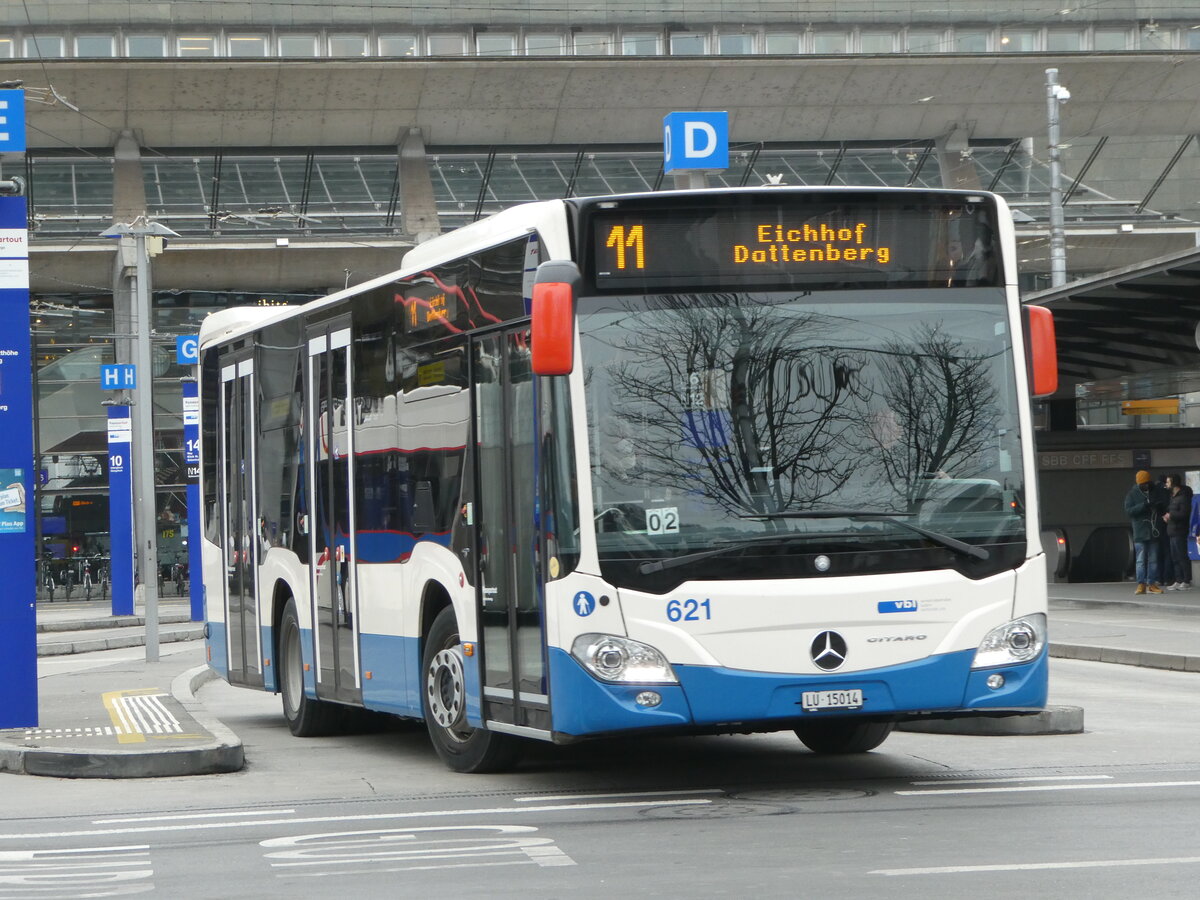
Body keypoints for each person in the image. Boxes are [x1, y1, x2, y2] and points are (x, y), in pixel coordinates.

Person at [1124, 469, 1169, 594]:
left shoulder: (1156, 492)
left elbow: (1164, 505)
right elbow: (1129, 511)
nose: (1145, 486)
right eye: (1143, 484)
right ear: (1139, 484)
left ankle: (1152, 583)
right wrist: (1144, 505)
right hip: (1140, 531)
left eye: (1147, 483)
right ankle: (1141, 583)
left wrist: (1160, 507)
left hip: (1153, 529)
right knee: (1140, 560)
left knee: (1153, 559)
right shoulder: (1132, 494)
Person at [1163, 473, 1193, 591]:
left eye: (1168, 482)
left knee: (1182, 556)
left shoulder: (1183, 497)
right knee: (1174, 557)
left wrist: (1171, 515)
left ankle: (1186, 580)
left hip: (1180, 530)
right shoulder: (1173, 496)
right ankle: (1178, 579)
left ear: (1174, 483)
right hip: (1171, 530)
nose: (1166, 484)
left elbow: (1185, 514)